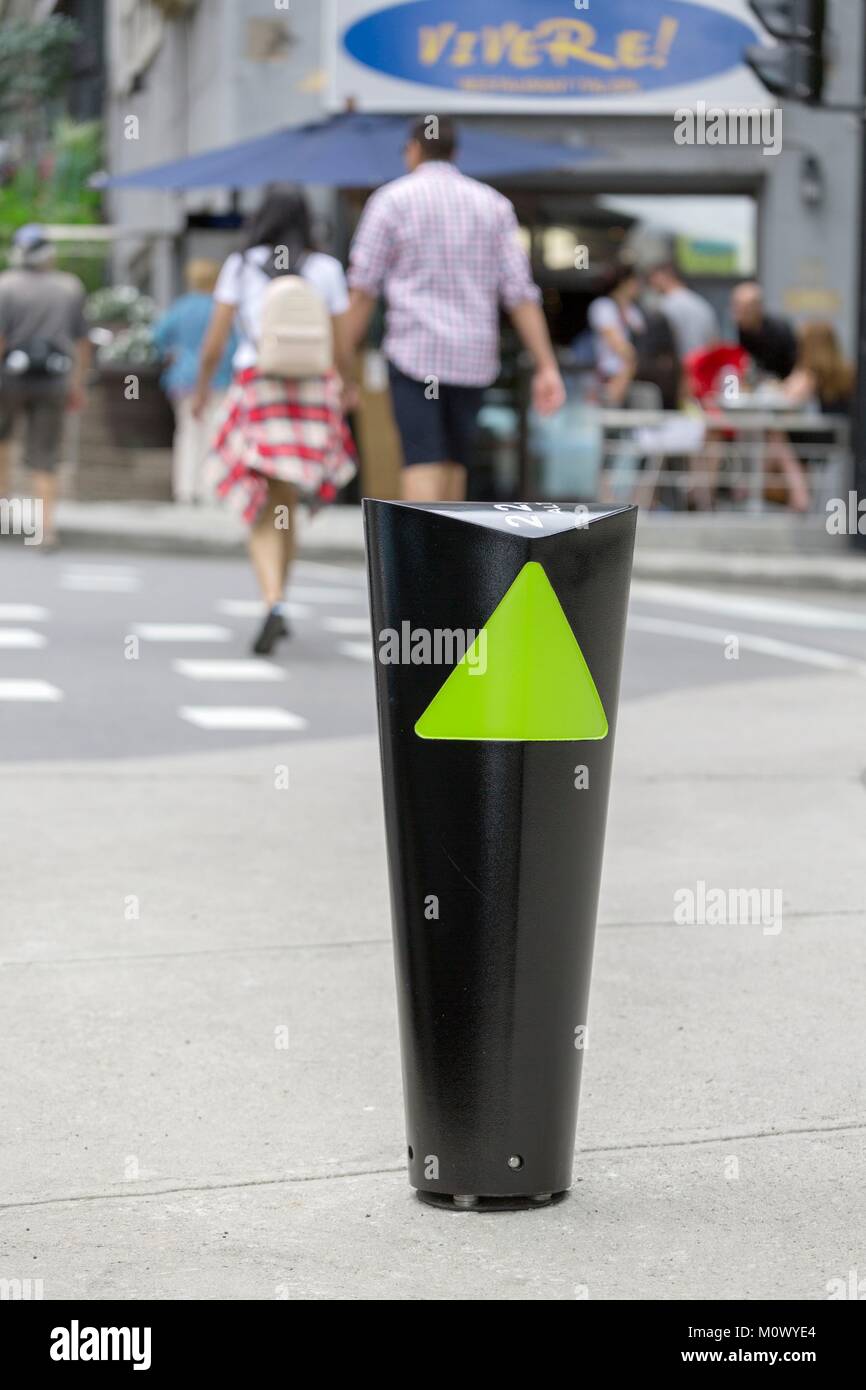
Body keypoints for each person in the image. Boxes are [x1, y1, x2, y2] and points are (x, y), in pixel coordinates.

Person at [344, 115, 564, 502]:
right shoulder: (493, 205)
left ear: (413, 150)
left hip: (416, 355)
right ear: (455, 152)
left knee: (422, 458)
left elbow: (363, 290)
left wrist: (341, 360)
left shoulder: (391, 201)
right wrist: (546, 365)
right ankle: (449, 561)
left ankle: (420, 561)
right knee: (455, 463)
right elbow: (520, 294)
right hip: (472, 358)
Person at [192, 184, 356, 656]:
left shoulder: (240, 267)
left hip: (258, 385)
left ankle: (272, 600)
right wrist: (347, 386)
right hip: (311, 388)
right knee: (285, 498)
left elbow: (215, 340)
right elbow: (342, 343)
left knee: (264, 500)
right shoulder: (325, 268)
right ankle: (279, 599)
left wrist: (203, 389)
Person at [0, 224, 91, 549]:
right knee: (46, 454)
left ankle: (6, 511)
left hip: (8, 379)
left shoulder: (5, 287)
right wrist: (77, 383)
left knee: (3, 443)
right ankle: (46, 528)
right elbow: (82, 341)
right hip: (54, 379)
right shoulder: (68, 287)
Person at [152, 259, 237, 504]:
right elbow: (235, 344)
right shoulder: (222, 308)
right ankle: (211, 489)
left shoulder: (180, 307)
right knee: (215, 433)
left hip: (183, 379)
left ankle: (185, 490)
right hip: (220, 378)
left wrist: (172, 353)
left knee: (187, 434)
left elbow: (157, 337)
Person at [762, 320, 854, 512]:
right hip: (841, 436)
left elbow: (786, 400)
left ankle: (798, 494)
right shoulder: (847, 371)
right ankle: (796, 492)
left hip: (820, 437)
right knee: (783, 436)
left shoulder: (808, 374)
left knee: (777, 435)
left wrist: (777, 386)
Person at [587, 263, 646, 406]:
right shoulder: (603, 306)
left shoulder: (634, 311)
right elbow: (617, 344)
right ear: (623, 283)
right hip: (608, 376)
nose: (638, 286)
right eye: (634, 281)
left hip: (632, 376)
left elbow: (642, 342)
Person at [646, 262, 718, 359]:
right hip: (703, 366)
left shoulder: (666, 305)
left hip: (680, 366)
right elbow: (714, 342)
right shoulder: (701, 303)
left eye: (653, 278)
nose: (651, 283)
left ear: (663, 276)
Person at [731, 282, 797, 382]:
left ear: (758, 308)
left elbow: (793, 366)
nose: (740, 315)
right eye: (737, 308)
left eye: (746, 310)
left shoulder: (779, 331)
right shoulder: (732, 332)